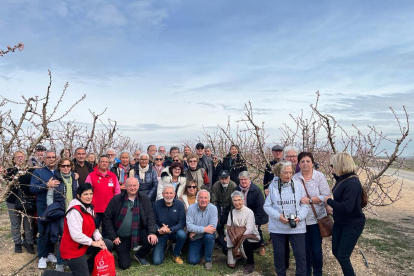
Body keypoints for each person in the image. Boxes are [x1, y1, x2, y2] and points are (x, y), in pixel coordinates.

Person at [264, 161, 309, 276]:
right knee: (279, 255)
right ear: (279, 173)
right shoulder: (273, 186)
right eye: (285, 173)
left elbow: (305, 204)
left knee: (300, 255)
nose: (288, 175)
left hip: (297, 227)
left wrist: (299, 217)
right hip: (278, 227)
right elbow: (267, 206)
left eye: (290, 172)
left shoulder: (298, 185)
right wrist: (278, 216)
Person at [324, 153, 365, 276]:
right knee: (336, 251)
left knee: (343, 255)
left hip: (352, 224)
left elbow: (347, 207)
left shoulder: (352, 183)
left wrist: (329, 201)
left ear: (339, 165)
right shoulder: (344, 179)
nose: (330, 167)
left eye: (332, 165)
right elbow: (340, 187)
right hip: (341, 222)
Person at [103, 177, 158, 269]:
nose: (132, 188)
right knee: (124, 265)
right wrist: (113, 236)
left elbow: (150, 216)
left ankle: (140, 255)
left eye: (134, 185)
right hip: (121, 237)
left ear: (138, 186)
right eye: (130, 186)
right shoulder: (117, 199)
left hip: (139, 232)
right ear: (125, 187)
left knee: (152, 240)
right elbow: (106, 218)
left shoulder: (144, 199)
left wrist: (152, 232)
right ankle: (120, 249)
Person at [60, 183, 113, 276]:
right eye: (85, 194)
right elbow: (76, 235)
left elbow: (94, 228)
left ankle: (88, 267)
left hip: (84, 244)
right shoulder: (74, 211)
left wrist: (99, 240)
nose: (89, 197)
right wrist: (93, 243)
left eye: (90, 194)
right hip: (73, 249)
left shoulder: (89, 207)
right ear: (78, 196)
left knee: (107, 244)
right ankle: (49, 274)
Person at [293, 152, 330, 276]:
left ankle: (318, 273)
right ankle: (307, 272)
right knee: (304, 250)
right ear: (299, 164)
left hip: (316, 219)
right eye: (302, 161)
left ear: (312, 163)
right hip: (301, 220)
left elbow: (326, 195)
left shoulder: (319, 176)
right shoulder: (295, 178)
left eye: (308, 161)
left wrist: (310, 200)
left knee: (316, 250)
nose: (305, 164)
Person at [46, 157, 79, 271]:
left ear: (71, 167)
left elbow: (77, 194)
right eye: (63, 166)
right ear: (59, 167)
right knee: (64, 237)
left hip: (72, 213)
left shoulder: (74, 178)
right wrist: (53, 210)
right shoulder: (55, 179)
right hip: (60, 213)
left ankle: (67, 260)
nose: (66, 168)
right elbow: (50, 196)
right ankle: (60, 263)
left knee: (71, 237)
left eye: (68, 166)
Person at [30, 150, 60, 268]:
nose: (51, 159)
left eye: (53, 157)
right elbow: (32, 188)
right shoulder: (39, 172)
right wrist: (46, 185)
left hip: (56, 206)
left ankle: (50, 252)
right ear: (44, 159)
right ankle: (42, 256)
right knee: (43, 230)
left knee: (53, 230)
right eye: (48, 157)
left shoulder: (59, 171)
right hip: (43, 206)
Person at [5, 150, 35, 254]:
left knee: (28, 223)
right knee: (15, 223)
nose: (20, 159)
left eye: (22, 156)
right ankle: (17, 244)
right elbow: (5, 181)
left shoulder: (30, 171)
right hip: (12, 200)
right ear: (13, 159)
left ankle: (29, 242)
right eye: (17, 157)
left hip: (27, 201)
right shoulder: (9, 171)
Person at [85, 155, 120, 237]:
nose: (104, 163)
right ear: (98, 163)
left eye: (106, 162)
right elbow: (86, 192)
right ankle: (93, 248)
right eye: (102, 161)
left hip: (109, 210)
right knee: (92, 230)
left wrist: (115, 206)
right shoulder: (91, 176)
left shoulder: (113, 176)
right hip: (94, 209)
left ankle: (106, 248)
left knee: (107, 231)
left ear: (109, 164)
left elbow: (117, 192)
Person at [226, 191, 261, 274]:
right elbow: (228, 227)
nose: (237, 202)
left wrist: (237, 238)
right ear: (232, 201)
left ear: (243, 200)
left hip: (250, 236)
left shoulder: (249, 212)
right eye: (235, 200)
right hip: (236, 236)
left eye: (239, 200)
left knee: (246, 243)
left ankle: (250, 263)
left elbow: (249, 230)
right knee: (225, 244)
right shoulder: (231, 213)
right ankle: (238, 256)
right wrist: (229, 237)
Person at [235, 171, 268, 256]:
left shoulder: (256, 190)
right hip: (241, 214)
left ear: (249, 179)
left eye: (245, 179)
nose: (243, 181)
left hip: (254, 214)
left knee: (257, 229)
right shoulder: (236, 190)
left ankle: (261, 245)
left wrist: (256, 221)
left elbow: (260, 207)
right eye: (241, 179)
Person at [152, 184, 187, 265]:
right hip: (161, 233)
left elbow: (182, 223)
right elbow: (153, 220)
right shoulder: (156, 204)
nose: (168, 195)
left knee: (182, 234)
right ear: (162, 193)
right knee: (157, 261)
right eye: (166, 193)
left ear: (174, 194)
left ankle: (176, 254)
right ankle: (164, 246)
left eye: (171, 193)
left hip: (174, 232)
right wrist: (159, 229)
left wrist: (170, 229)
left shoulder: (180, 204)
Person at [186, 190, 217, 270]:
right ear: (197, 199)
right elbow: (189, 227)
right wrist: (204, 229)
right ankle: (204, 249)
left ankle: (208, 260)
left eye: (205, 198)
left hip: (204, 235)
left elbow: (212, 228)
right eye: (201, 198)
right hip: (196, 237)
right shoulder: (191, 208)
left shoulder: (213, 209)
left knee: (209, 237)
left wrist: (196, 230)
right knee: (192, 261)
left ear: (209, 200)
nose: (203, 200)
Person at [211, 170, 237, 251]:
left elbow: (234, 201)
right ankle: (220, 239)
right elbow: (214, 200)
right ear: (219, 178)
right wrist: (215, 212)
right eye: (222, 178)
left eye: (226, 178)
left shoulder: (233, 185)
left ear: (229, 178)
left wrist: (232, 213)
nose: (224, 180)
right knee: (218, 223)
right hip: (219, 205)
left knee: (229, 221)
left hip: (229, 206)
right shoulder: (216, 185)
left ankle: (229, 238)